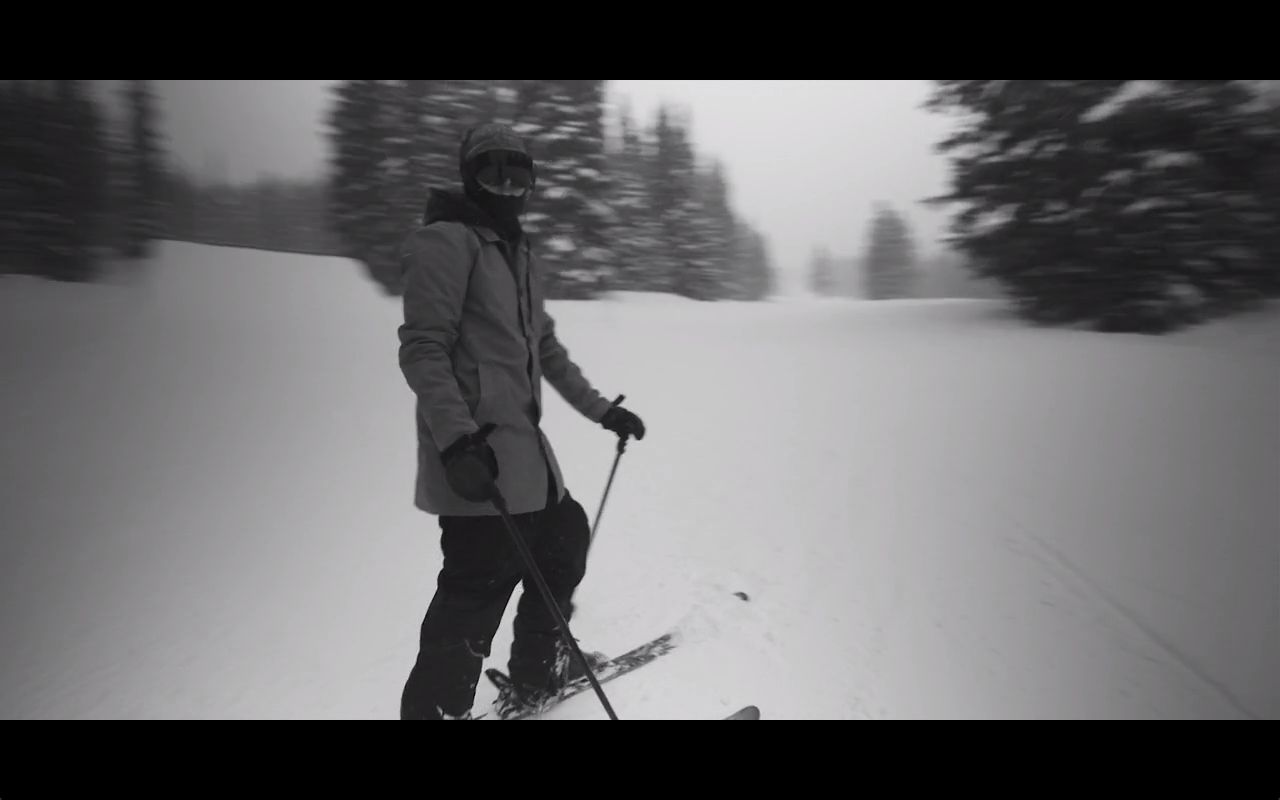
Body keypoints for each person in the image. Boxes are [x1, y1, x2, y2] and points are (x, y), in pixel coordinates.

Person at [396, 122, 646, 720]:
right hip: (477, 461)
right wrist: (457, 442)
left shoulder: (518, 251)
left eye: (518, 173)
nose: (507, 185)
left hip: (527, 458)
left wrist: (602, 410)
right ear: (470, 176)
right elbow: (424, 348)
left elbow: (546, 348)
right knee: (473, 596)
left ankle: (539, 671)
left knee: (565, 540)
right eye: (492, 171)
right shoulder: (447, 241)